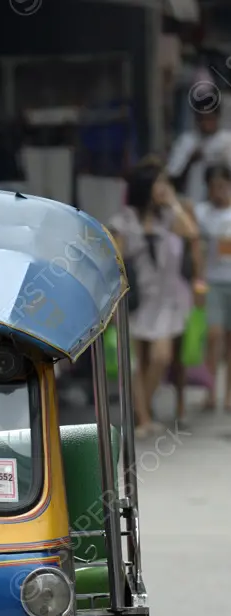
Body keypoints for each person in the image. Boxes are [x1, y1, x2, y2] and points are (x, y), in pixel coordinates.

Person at [109, 160, 199, 438]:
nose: (162, 188)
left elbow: (191, 232)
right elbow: (115, 262)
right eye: (158, 183)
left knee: (161, 356)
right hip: (136, 299)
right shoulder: (124, 221)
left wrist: (172, 202)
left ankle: (142, 409)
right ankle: (143, 418)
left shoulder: (168, 218)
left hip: (165, 299)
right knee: (138, 362)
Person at [195, 163, 231, 411]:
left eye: (223, 185)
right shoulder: (201, 213)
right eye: (214, 186)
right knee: (214, 334)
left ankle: (228, 394)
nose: (219, 191)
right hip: (211, 282)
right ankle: (210, 390)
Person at [166, 103, 231, 205]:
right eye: (202, 119)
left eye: (210, 118)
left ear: (217, 118)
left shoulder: (227, 140)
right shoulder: (186, 141)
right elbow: (172, 176)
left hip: (224, 204)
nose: (206, 123)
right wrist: (190, 160)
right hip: (194, 200)